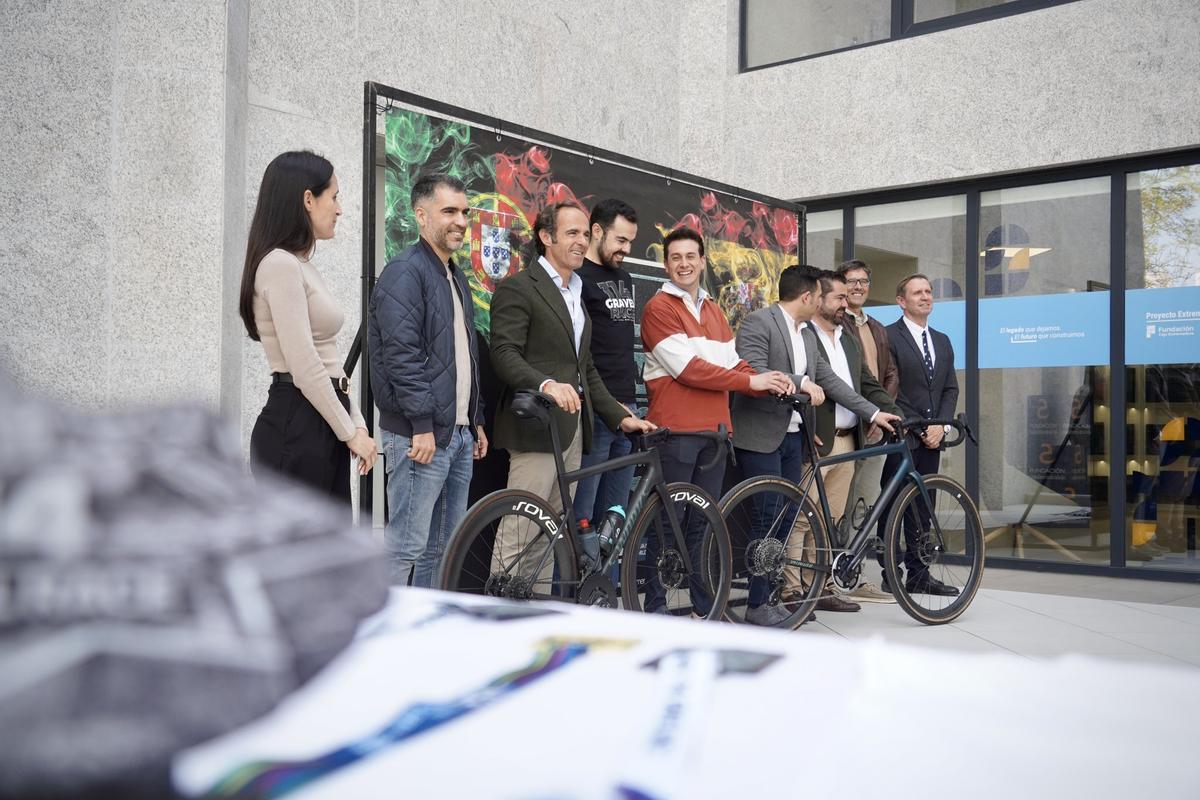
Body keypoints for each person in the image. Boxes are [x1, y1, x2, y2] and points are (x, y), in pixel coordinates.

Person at [490, 202, 654, 576]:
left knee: (550, 535)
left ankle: (537, 615)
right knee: (521, 528)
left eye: (584, 233)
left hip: (576, 428)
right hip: (535, 429)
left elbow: (585, 369)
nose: (582, 241)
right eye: (572, 234)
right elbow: (503, 353)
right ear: (546, 238)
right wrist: (546, 384)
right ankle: (497, 617)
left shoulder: (576, 291)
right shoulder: (519, 287)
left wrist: (619, 417)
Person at [641, 227, 793, 613]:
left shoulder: (712, 309)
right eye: (676, 258)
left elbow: (734, 365)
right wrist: (749, 379)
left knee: (703, 525)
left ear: (703, 261)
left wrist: (767, 382)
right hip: (674, 433)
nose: (684, 264)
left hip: (714, 435)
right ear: (666, 264)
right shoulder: (659, 308)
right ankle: (655, 611)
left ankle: (702, 609)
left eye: (691, 256)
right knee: (667, 524)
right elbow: (689, 370)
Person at [369, 173, 488, 587]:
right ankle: (380, 642)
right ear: (421, 216)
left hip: (454, 435)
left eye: (465, 212)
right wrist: (421, 425)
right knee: (404, 547)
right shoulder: (405, 272)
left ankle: (423, 640)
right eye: (449, 211)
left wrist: (474, 420)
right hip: (420, 436)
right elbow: (399, 357)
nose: (460, 221)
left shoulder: (454, 276)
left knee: (444, 547)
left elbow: (462, 354)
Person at [241, 150, 376, 504]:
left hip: (318, 421)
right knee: (299, 555)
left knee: (323, 553)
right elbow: (304, 365)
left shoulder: (299, 265)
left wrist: (356, 423)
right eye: (333, 197)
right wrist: (351, 433)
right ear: (307, 199)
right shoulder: (280, 265)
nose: (340, 208)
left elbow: (328, 360)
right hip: (297, 422)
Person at [806, 270, 901, 610]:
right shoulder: (806, 337)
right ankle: (791, 591)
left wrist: (896, 413)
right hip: (819, 441)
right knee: (806, 517)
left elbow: (868, 383)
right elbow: (829, 387)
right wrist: (874, 414)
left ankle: (820, 588)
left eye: (848, 297)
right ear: (819, 299)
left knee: (832, 518)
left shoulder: (847, 339)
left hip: (850, 439)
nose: (847, 303)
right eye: (840, 298)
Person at [883, 273, 960, 596]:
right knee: (893, 504)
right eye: (917, 292)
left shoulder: (942, 340)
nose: (925, 297)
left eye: (928, 291)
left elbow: (950, 388)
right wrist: (916, 424)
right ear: (902, 301)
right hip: (902, 436)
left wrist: (940, 426)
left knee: (924, 506)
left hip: (933, 438)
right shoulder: (888, 337)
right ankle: (890, 571)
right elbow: (891, 389)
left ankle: (919, 573)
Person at [572, 199, 640, 530]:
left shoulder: (625, 278)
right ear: (597, 231)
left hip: (629, 408)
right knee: (582, 515)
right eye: (620, 240)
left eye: (630, 242)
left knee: (616, 517)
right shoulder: (576, 279)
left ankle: (608, 583)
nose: (625, 249)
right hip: (596, 410)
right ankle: (569, 583)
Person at [837, 259, 900, 604]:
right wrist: (868, 414)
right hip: (848, 426)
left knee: (866, 505)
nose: (858, 287)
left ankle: (855, 577)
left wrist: (882, 413)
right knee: (839, 507)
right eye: (851, 281)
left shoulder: (877, 327)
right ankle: (832, 578)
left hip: (876, 427)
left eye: (863, 281)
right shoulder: (834, 322)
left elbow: (889, 374)